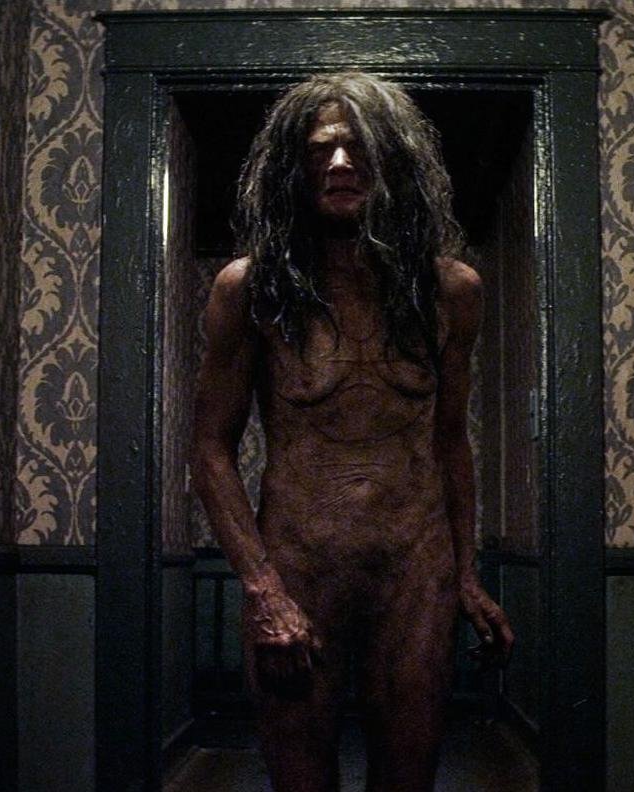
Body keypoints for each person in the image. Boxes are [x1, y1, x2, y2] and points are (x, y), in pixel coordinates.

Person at [190, 72, 515, 792]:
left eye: (359, 148)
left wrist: (466, 574)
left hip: (415, 571)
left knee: (408, 777)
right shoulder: (250, 290)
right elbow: (210, 448)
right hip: (299, 569)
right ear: (293, 168)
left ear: (395, 163)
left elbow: (450, 442)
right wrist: (263, 589)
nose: (340, 164)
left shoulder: (453, 291)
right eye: (320, 150)